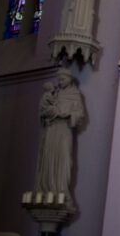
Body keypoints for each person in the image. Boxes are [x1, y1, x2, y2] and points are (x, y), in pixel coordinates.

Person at [35, 68, 86, 200]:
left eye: (63, 79)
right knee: (49, 157)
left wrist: (68, 114)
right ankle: (47, 189)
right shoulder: (54, 93)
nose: (60, 82)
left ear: (69, 79)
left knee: (64, 158)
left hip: (64, 129)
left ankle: (61, 190)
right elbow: (43, 109)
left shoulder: (75, 94)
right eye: (59, 80)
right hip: (51, 129)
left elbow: (80, 114)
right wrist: (49, 113)